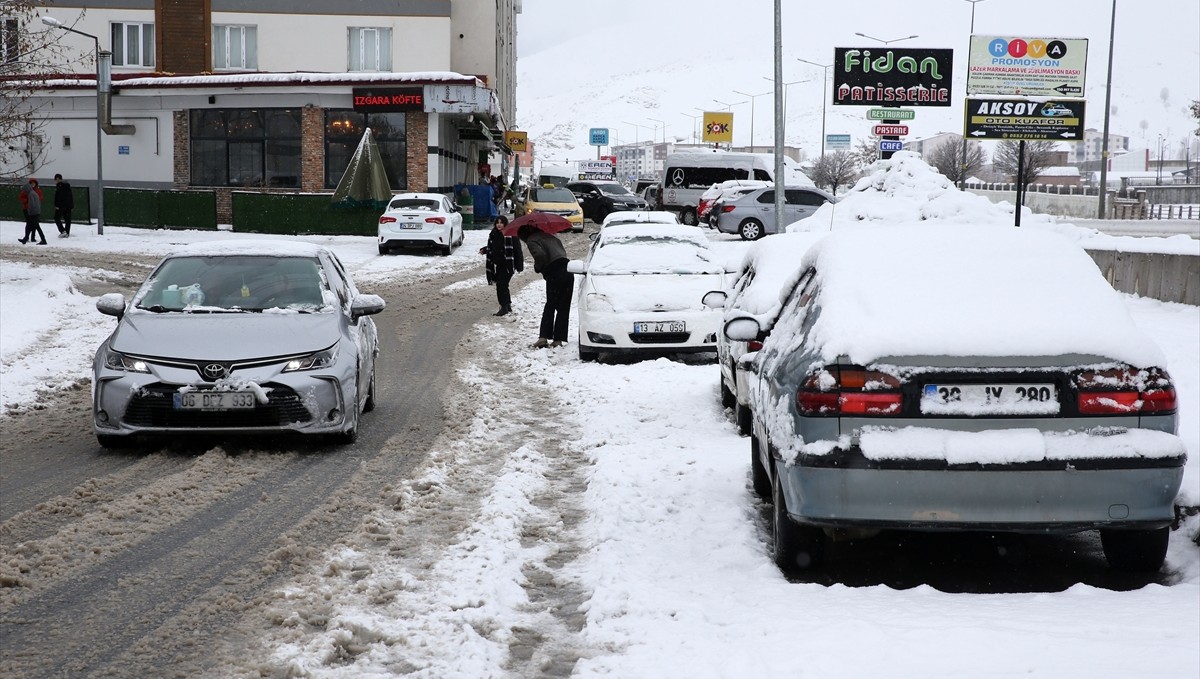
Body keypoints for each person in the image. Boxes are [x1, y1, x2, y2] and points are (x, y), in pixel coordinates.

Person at [518, 224, 573, 348]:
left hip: (555, 273)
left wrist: (538, 268)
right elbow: (562, 253)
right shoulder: (551, 237)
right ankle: (558, 339)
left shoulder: (532, 240)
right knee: (564, 307)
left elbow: (540, 256)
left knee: (550, 305)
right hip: (568, 270)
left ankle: (543, 338)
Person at [479, 215, 523, 316]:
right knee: (503, 285)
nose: (499, 225)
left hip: (508, 265)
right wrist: (485, 250)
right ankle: (507, 305)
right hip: (498, 264)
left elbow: (517, 250)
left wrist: (519, 265)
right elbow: (494, 247)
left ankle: (504, 306)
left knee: (501, 285)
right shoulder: (494, 234)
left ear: (505, 224)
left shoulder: (511, 234)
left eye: (501, 223)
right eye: (497, 222)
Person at [18, 177, 47, 245]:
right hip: (35, 212)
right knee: (32, 225)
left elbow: (32, 204)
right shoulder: (34, 193)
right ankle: (26, 238)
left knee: (34, 226)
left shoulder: (31, 194)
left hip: (32, 213)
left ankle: (42, 239)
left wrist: (30, 211)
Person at [53, 174, 74, 238]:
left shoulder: (59, 187)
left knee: (57, 218)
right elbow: (70, 196)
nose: (57, 181)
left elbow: (58, 197)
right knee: (67, 219)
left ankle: (63, 231)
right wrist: (71, 205)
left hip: (61, 206)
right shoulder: (67, 186)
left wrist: (57, 205)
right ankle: (66, 232)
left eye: (57, 179)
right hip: (67, 206)